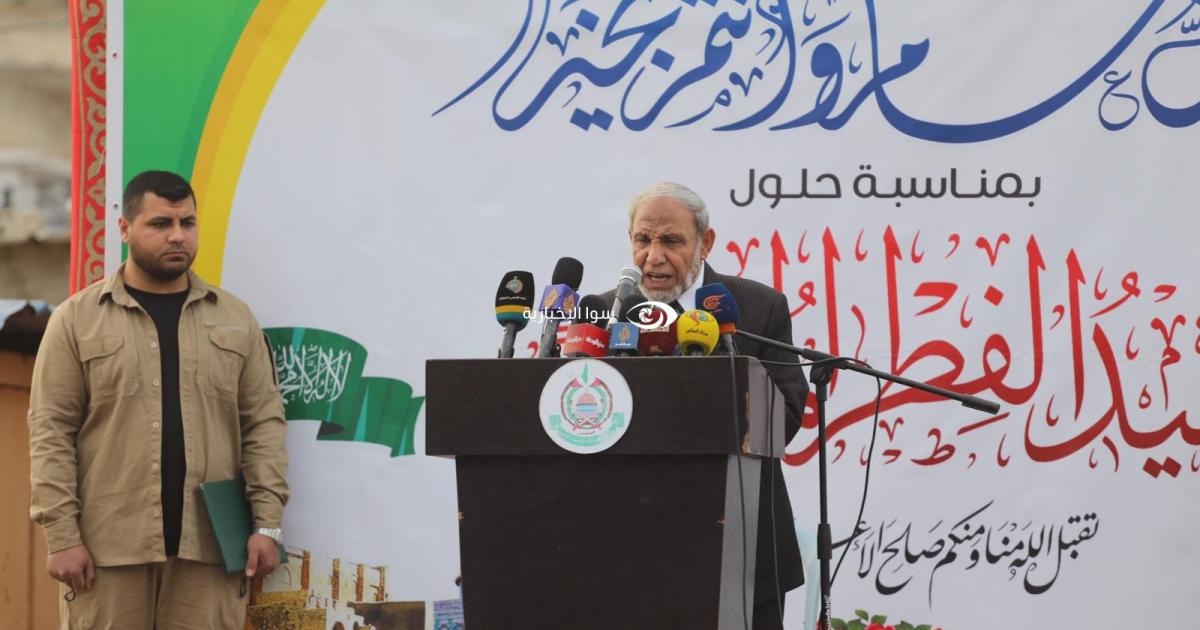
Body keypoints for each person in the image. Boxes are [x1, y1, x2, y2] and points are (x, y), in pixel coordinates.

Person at [27, 170, 289, 629]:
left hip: (209, 551)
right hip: (107, 553)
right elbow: (51, 432)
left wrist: (267, 525)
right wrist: (62, 536)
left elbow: (263, 425)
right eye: (160, 224)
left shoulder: (236, 319)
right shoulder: (76, 320)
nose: (177, 236)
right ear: (125, 229)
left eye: (187, 223)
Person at [603, 182, 807, 630]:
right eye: (643, 239)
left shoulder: (755, 306)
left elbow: (787, 418)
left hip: (744, 549)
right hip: (624, 547)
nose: (654, 256)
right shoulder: (606, 313)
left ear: (705, 242)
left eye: (671, 241)